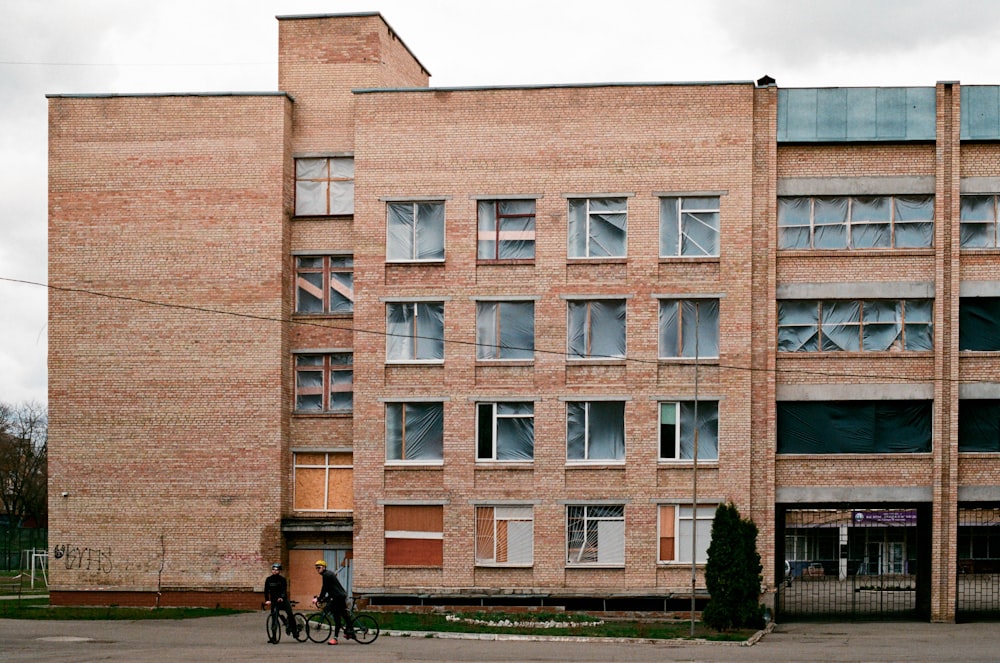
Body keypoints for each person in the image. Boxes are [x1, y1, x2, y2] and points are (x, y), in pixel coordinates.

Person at [312, 559, 353, 645]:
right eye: (316, 568)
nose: (318, 569)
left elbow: (325, 588)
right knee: (344, 615)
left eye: (319, 567)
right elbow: (330, 589)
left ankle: (335, 638)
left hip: (338, 598)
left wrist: (319, 599)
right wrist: (323, 598)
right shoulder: (328, 574)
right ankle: (349, 632)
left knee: (337, 617)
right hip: (337, 597)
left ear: (324, 567)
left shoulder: (326, 575)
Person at [263, 562, 299, 639]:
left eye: (276, 570)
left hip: (283, 600)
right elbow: (266, 591)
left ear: (279, 571)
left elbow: (284, 590)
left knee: (290, 614)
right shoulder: (269, 579)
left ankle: (295, 630)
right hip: (274, 601)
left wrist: (281, 597)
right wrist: (267, 600)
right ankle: (274, 637)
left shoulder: (282, 579)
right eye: (273, 569)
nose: (275, 571)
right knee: (274, 617)